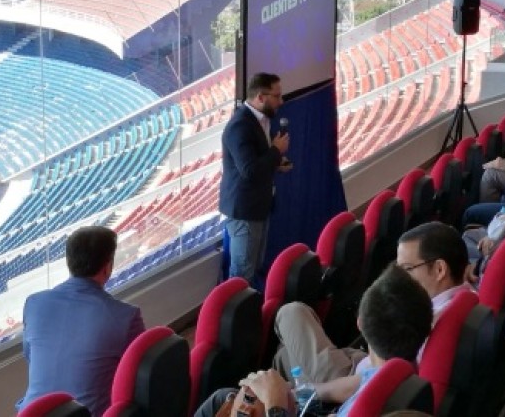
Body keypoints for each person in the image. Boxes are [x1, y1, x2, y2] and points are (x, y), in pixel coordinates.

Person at [267, 222, 471, 408]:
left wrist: (310, 393)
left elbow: (379, 377)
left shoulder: (426, 321)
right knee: (285, 353)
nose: (399, 277)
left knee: (291, 313)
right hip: (364, 361)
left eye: (407, 269)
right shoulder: (464, 296)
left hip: (353, 375)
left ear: (439, 269)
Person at [195, 265, 434, 417]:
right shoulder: (394, 375)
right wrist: (297, 391)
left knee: (221, 400)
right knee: (229, 393)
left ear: (360, 323)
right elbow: (356, 384)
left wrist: (275, 404)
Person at [17, 227, 145, 417]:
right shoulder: (126, 316)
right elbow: (137, 379)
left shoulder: (34, 303)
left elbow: (30, 356)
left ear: (69, 262)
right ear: (107, 266)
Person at [219, 72, 291, 282]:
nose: (281, 101)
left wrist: (277, 164)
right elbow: (250, 171)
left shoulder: (261, 120)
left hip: (259, 206)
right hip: (245, 212)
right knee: (242, 273)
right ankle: (237, 313)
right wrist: (276, 151)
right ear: (260, 97)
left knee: (253, 266)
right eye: (276, 96)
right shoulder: (239, 126)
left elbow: (258, 161)